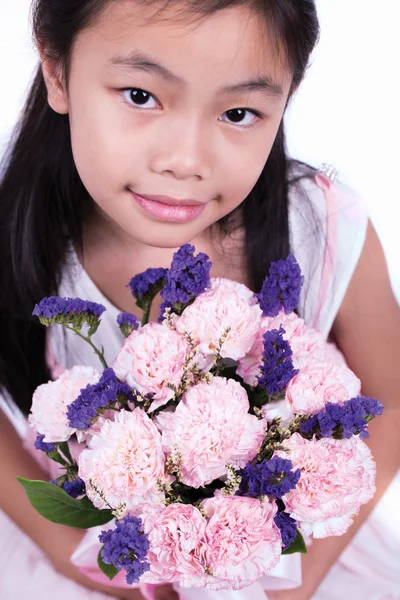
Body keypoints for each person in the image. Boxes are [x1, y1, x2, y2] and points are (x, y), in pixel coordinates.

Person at [0, 1, 399, 599]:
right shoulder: (15, 227)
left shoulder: (324, 228)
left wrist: (300, 577)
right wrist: (70, 556)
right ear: (57, 71)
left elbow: (389, 401)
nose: (185, 160)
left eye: (239, 112)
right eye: (140, 96)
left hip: (287, 568)